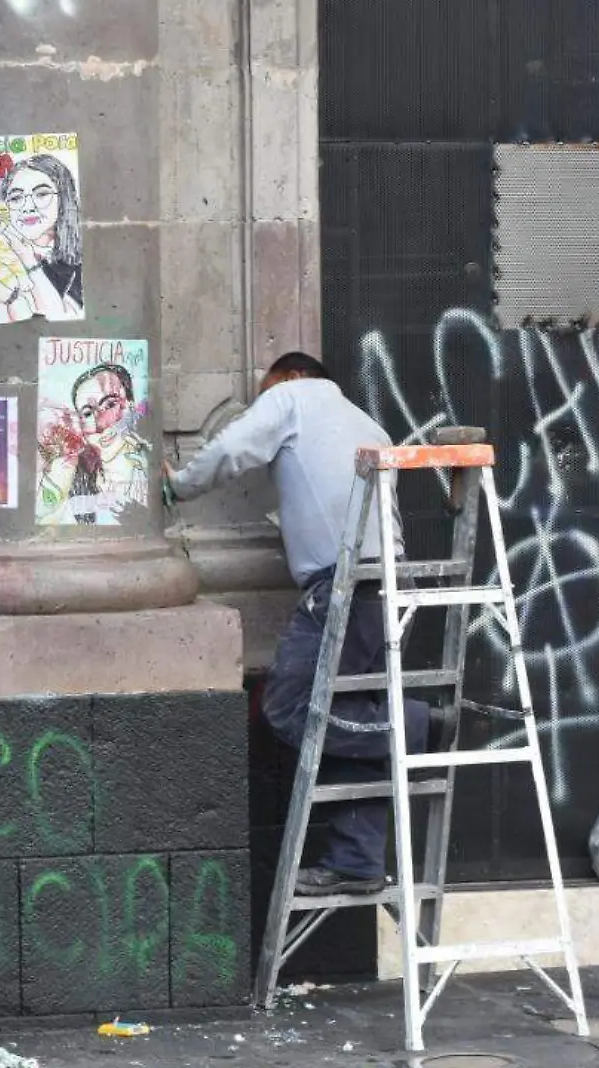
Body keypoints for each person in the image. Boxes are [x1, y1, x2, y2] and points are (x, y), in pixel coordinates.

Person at [165, 352, 432, 897]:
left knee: (289, 706)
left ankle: (418, 724)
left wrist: (180, 485)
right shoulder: (366, 420)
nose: (263, 402)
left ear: (290, 377)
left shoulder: (291, 398)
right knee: (347, 709)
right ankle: (356, 860)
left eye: (264, 391)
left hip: (346, 584)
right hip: (386, 582)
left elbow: (233, 448)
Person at [0, 153, 84, 322]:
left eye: (42, 194)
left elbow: (57, 317)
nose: (27, 207)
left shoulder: (76, 265)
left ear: (64, 198)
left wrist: (27, 258)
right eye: (15, 198)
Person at [38, 362, 151, 525]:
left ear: (131, 405)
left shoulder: (147, 470)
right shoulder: (75, 483)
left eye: (111, 404)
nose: (101, 424)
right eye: (88, 413)